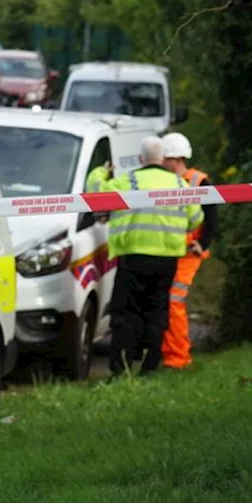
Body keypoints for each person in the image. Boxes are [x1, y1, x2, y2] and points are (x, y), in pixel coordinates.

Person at [85, 136, 204, 377]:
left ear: (141, 159)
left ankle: (121, 368)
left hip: (133, 258)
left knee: (126, 312)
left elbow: (95, 192)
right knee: (157, 311)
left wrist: (101, 171)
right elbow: (196, 220)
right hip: (167, 259)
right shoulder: (181, 186)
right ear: (163, 158)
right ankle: (150, 366)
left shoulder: (128, 181)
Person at [159, 132, 217, 370]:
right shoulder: (164, 180)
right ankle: (169, 354)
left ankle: (178, 358)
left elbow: (212, 218)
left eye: (165, 158)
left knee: (173, 301)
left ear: (176, 158)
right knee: (165, 302)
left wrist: (202, 244)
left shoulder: (198, 181)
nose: (162, 163)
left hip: (188, 253)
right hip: (168, 250)